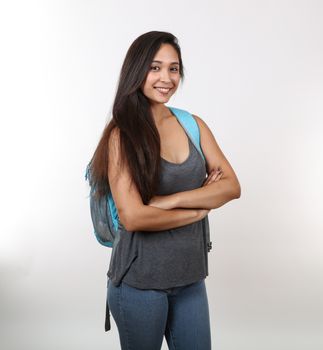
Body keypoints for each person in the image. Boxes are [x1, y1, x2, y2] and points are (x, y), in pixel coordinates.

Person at [89, 31, 241, 350]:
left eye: (173, 68)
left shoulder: (192, 124)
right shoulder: (122, 135)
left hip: (190, 279)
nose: (166, 78)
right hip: (139, 284)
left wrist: (173, 200)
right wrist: (199, 209)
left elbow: (231, 186)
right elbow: (133, 218)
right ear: (137, 71)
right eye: (155, 67)